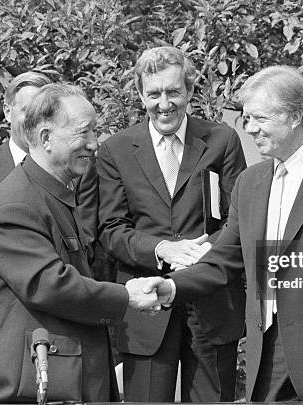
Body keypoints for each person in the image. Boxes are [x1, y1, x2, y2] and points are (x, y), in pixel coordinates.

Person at [132, 66, 303, 404]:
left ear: (294, 116)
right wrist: (172, 287)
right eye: (247, 118)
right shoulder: (250, 183)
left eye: (259, 119)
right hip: (264, 360)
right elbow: (223, 259)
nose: (249, 129)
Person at [0, 84, 157, 403]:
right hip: (32, 388)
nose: (94, 144)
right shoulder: (15, 205)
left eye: (95, 131)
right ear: (45, 138)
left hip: (64, 382)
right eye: (84, 133)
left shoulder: (51, 194)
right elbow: (50, 285)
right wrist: (127, 295)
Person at [97, 46, 247, 402]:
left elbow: (237, 219)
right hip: (146, 302)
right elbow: (111, 229)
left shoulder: (221, 140)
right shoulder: (115, 150)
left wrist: (202, 254)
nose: (164, 103)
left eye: (173, 92)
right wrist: (162, 249)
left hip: (211, 302)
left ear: (190, 91)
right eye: (154, 94)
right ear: (140, 95)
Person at [0, 71, 97, 396]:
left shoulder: (70, 171)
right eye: (28, 108)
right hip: (6, 331)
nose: (93, 143)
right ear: (10, 110)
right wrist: (16, 257)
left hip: (62, 336)